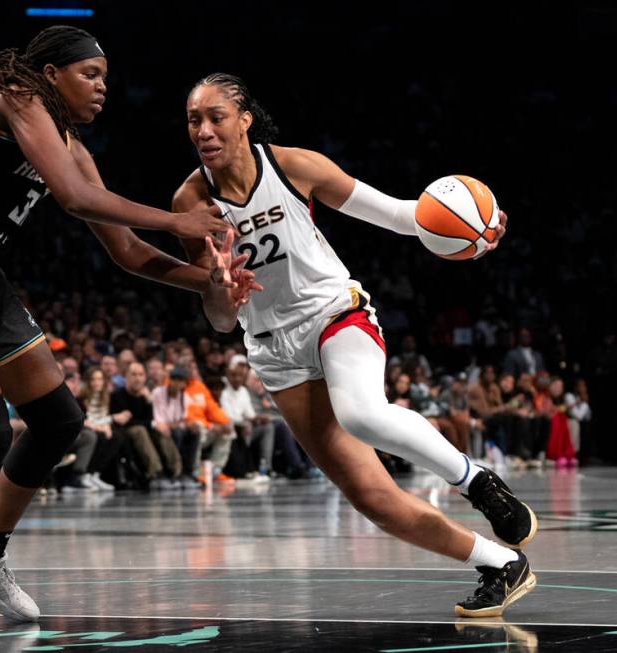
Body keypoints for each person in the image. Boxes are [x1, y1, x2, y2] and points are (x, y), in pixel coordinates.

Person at [0, 26, 247, 638]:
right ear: (50, 73)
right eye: (90, 75)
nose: (102, 88)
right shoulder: (16, 96)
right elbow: (74, 200)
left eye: (106, 79)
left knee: (60, 419)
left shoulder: (71, 147)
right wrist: (178, 217)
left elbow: (124, 249)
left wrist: (204, 283)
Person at [176, 73, 536, 617]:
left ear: (245, 118)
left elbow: (398, 214)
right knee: (375, 501)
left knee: (362, 413)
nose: (203, 129)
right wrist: (222, 290)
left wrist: (478, 229)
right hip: (274, 350)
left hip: (333, 312)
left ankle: (477, 481)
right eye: (193, 120)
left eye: (215, 116)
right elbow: (221, 320)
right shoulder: (189, 200)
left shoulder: (294, 166)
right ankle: (500, 565)